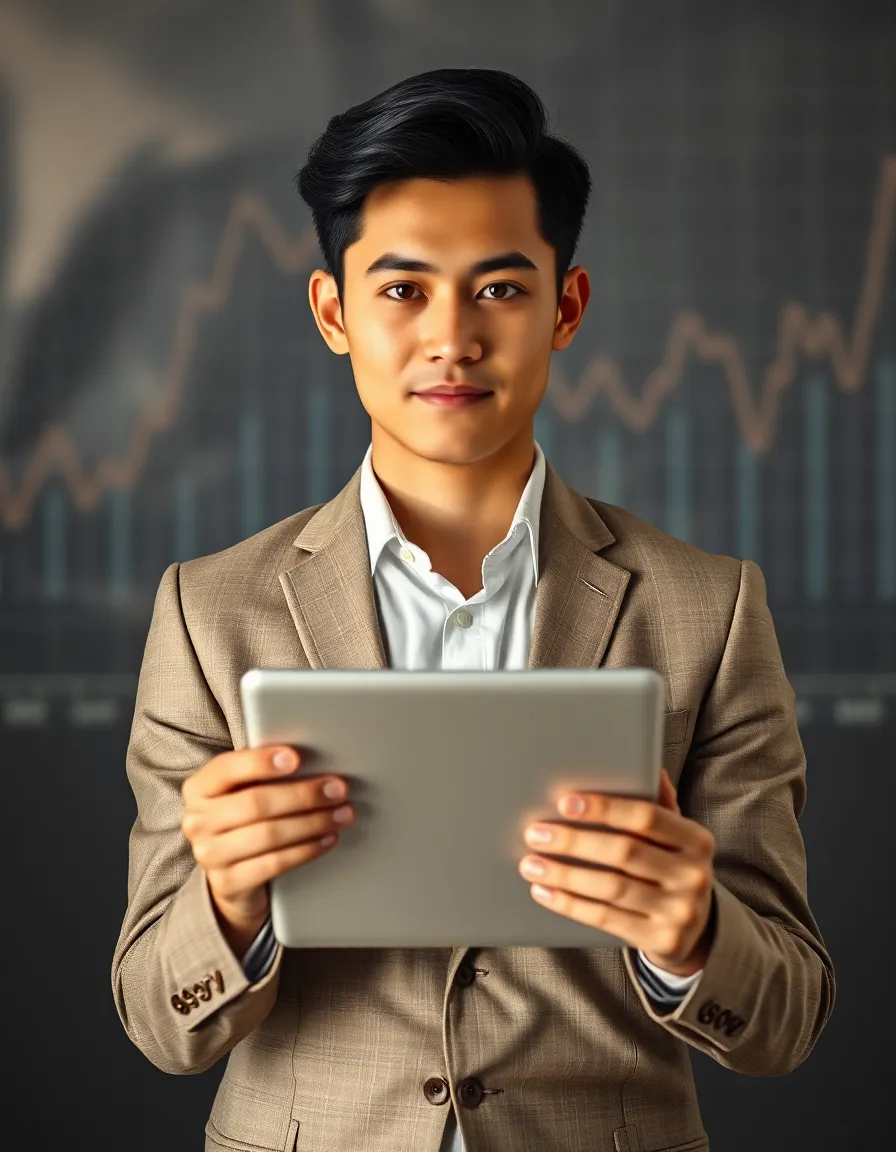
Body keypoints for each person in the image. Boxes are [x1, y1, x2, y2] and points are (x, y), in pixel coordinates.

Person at [112, 68, 835, 1152]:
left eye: (498, 288)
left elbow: (783, 1022)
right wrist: (225, 906)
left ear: (565, 308)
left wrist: (690, 936)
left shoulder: (709, 607)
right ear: (331, 313)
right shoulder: (209, 612)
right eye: (401, 290)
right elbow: (157, 1023)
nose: (450, 337)